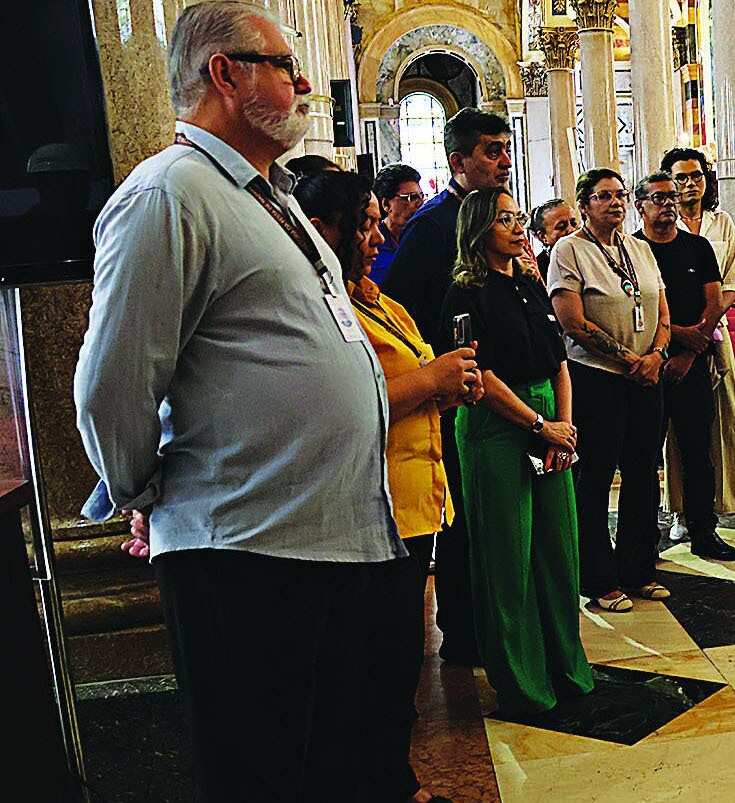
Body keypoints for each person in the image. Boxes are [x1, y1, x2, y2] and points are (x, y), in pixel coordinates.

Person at [74, 4, 400, 799]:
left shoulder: (271, 196)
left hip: (323, 538)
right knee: (260, 771)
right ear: (226, 73)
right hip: (244, 552)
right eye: (285, 66)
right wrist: (144, 491)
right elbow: (111, 382)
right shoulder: (168, 196)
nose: (299, 85)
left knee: (325, 767)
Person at [295, 169, 478, 803]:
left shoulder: (380, 299)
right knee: (370, 661)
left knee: (400, 658)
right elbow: (344, 403)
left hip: (419, 496)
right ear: (322, 231)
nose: (378, 237)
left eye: (378, 223)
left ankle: (396, 779)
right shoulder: (317, 307)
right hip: (372, 505)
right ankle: (378, 784)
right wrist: (432, 381)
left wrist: (449, 383)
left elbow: (418, 371)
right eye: (366, 224)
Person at [442, 187, 595, 715]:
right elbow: (478, 373)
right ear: (480, 227)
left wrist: (565, 426)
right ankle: (521, 679)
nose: (515, 225)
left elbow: (560, 362)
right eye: (504, 218)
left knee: (558, 548)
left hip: (552, 417)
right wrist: (539, 425)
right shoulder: (466, 293)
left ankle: (564, 666)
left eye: (517, 216)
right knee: (508, 557)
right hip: (498, 424)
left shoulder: (530, 285)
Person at [382, 107, 513, 664]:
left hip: (496, 387)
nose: (503, 161)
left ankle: (492, 622)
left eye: (505, 149)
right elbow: (399, 309)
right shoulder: (433, 226)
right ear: (457, 160)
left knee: (491, 519)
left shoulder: (499, 221)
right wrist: (438, 369)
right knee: (459, 521)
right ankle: (462, 631)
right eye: (490, 151)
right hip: (452, 393)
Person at [548, 168, 674, 612]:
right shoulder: (569, 250)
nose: (616, 202)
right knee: (597, 476)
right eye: (604, 196)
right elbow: (573, 322)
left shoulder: (638, 248)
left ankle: (640, 567)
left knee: (643, 472)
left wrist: (657, 354)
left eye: (620, 195)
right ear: (584, 205)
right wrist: (628, 359)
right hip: (598, 378)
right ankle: (599, 578)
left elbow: (662, 307)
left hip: (646, 376)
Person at [660, 147, 735, 542]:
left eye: (697, 176)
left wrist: (704, 331)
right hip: (671, 335)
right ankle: (682, 510)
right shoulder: (662, 225)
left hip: (713, 333)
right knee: (677, 427)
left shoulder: (721, 224)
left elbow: (732, 284)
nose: (690, 185)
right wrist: (681, 335)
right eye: (681, 178)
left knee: (727, 417)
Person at [633, 172, 735, 561]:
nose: (668, 205)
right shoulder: (632, 249)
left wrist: (690, 352)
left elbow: (713, 303)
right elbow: (639, 310)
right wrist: (672, 342)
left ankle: (704, 531)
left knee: (698, 452)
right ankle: (645, 539)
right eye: (658, 198)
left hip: (692, 363)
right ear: (639, 204)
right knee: (644, 456)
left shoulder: (697, 246)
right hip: (649, 364)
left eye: (672, 198)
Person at [370, 162, 425, 286]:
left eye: (421, 197)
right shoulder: (372, 246)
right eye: (411, 198)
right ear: (386, 204)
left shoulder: (422, 238)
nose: (420, 204)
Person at [530, 197, 578, 278]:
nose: (571, 230)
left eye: (574, 224)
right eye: (561, 227)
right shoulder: (537, 273)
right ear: (542, 237)